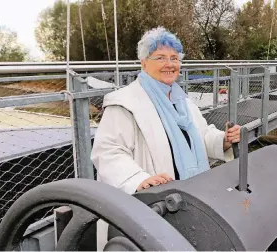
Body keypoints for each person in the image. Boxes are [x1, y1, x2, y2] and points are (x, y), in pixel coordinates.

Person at [90, 27, 241, 195]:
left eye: (174, 58)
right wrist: (138, 179)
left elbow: (201, 136)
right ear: (144, 62)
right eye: (161, 58)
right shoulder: (124, 103)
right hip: (150, 204)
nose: (169, 64)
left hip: (190, 198)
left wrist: (224, 140)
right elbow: (108, 151)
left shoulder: (183, 101)